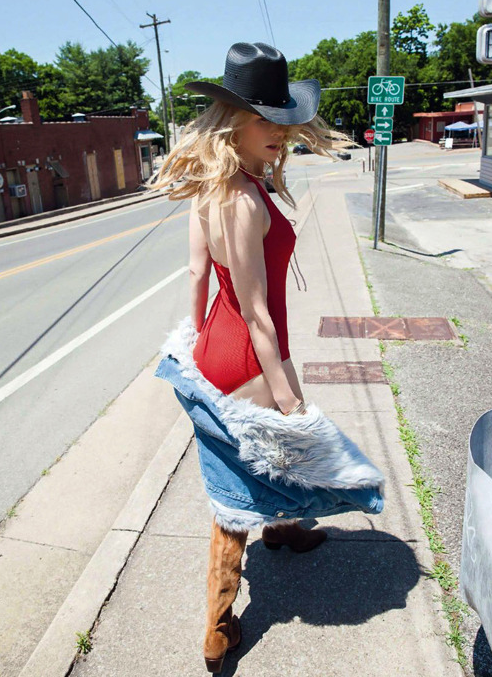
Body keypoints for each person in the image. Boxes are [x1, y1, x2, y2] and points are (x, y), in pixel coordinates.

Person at [146, 42, 385, 674]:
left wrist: (196, 344)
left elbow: (197, 275)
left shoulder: (212, 185)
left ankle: (283, 531)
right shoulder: (246, 200)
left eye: (284, 119)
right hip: (250, 353)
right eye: (263, 120)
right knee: (240, 487)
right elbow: (257, 316)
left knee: (259, 460)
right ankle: (217, 623)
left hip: (214, 346)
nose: (279, 132)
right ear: (232, 121)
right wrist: (286, 396)